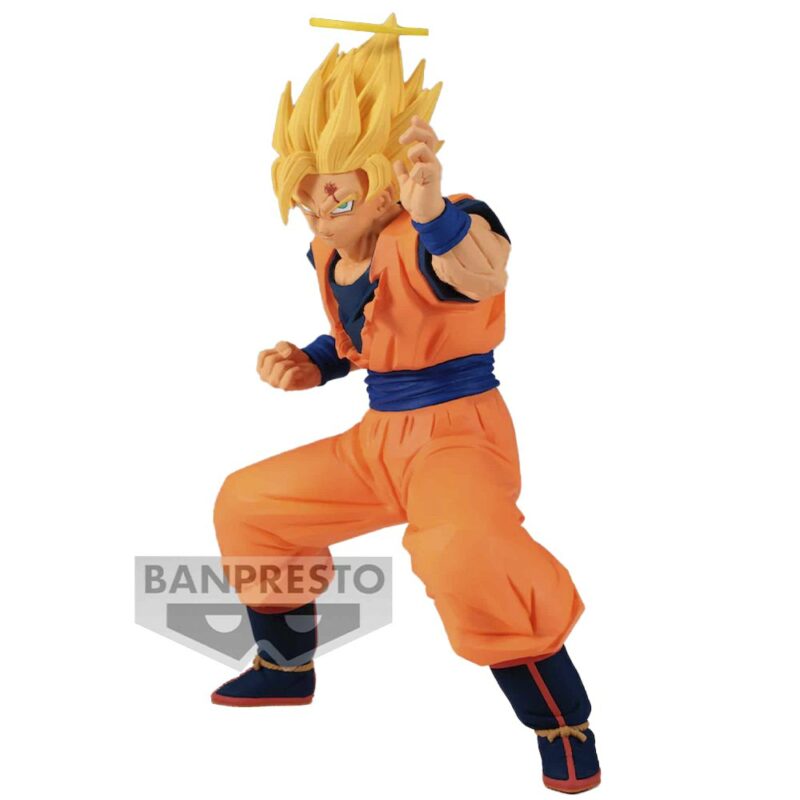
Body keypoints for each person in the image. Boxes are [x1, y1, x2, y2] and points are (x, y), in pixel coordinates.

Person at [211, 16, 601, 794]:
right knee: (251, 504)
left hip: (460, 434)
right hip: (379, 436)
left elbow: (480, 276)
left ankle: (562, 723)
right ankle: (284, 667)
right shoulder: (330, 249)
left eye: (336, 200)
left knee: (466, 552)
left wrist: (435, 216)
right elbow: (365, 334)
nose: (322, 218)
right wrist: (312, 364)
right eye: (310, 205)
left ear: (384, 182)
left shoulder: (442, 225)